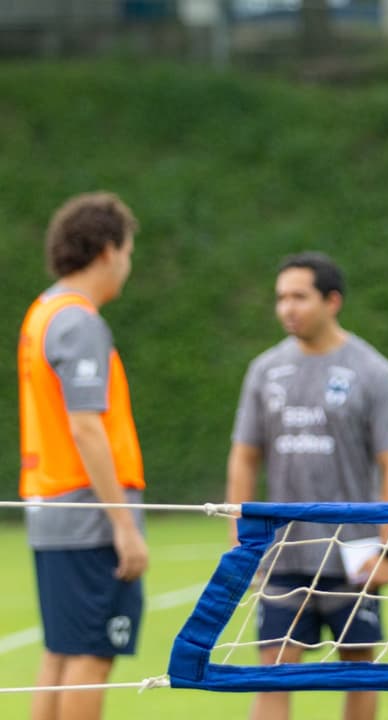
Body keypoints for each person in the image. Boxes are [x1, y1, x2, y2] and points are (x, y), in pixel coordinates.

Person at [225, 252, 388, 720]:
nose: (287, 308)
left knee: (359, 673)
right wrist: (239, 537)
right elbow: (244, 457)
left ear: (332, 301)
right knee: (271, 674)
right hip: (283, 555)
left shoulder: (375, 372)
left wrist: (387, 550)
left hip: (352, 555)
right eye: (281, 298)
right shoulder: (264, 371)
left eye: (299, 297)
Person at [18, 192, 148, 720]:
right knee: (92, 656)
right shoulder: (78, 321)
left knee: (61, 652)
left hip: (53, 507)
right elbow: (86, 426)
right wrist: (123, 524)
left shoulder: (44, 310)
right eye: (129, 250)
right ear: (106, 251)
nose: (128, 263)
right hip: (86, 512)